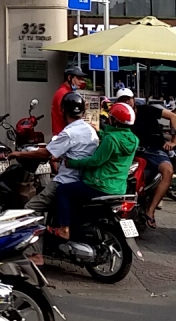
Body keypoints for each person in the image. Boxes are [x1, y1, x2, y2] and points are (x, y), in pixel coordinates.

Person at [52, 101, 139, 239]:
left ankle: (64, 229)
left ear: (115, 121)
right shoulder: (134, 139)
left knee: (63, 190)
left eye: (110, 118)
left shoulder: (111, 140)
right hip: (119, 187)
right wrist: (100, 131)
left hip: (100, 185)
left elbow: (94, 161)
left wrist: (71, 163)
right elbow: (114, 141)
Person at [25, 92, 99, 244]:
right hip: (84, 181)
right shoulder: (91, 131)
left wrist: (18, 154)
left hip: (65, 180)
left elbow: (46, 153)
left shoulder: (69, 132)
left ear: (63, 111)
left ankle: (35, 252)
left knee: (30, 209)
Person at [132, 95, 176, 228]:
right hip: (132, 151)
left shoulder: (146, 109)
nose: (126, 102)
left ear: (133, 99)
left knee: (168, 171)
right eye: (122, 100)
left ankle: (150, 211)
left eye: (128, 99)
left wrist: (173, 141)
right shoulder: (118, 114)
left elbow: (173, 116)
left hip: (155, 150)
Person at [51, 65, 87, 135]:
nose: (80, 81)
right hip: (64, 134)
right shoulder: (63, 93)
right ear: (69, 77)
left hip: (66, 133)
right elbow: (71, 117)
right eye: (78, 78)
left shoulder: (68, 92)